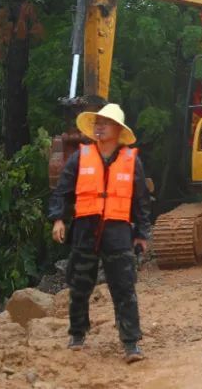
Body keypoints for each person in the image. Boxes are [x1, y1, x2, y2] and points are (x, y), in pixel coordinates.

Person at [48, 103, 151, 362]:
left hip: (118, 231)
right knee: (79, 285)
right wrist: (58, 219)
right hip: (85, 229)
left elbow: (141, 200)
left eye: (105, 123)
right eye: (97, 123)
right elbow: (62, 191)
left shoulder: (131, 161)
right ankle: (77, 334)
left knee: (124, 287)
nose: (99, 127)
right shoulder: (80, 157)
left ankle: (131, 344)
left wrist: (141, 234)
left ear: (118, 130)